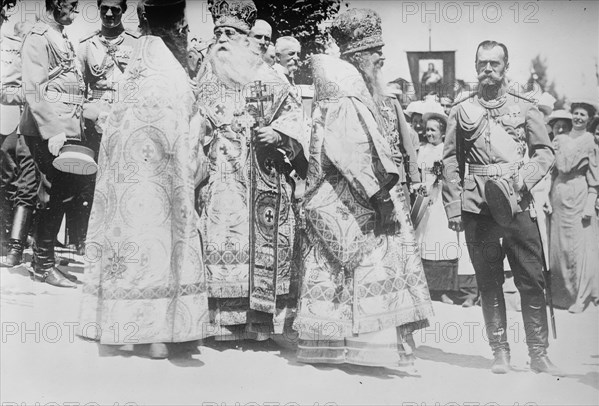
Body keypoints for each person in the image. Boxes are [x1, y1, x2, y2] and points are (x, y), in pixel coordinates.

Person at [293, 8, 433, 368]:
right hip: (349, 199)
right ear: (357, 55)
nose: (380, 58)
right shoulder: (345, 88)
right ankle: (361, 352)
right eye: (375, 52)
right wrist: (381, 194)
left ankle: (347, 349)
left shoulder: (355, 86)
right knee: (361, 267)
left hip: (351, 196)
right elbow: (352, 149)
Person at [78, 0, 209, 360]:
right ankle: (161, 334)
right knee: (163, 247)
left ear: (145, 19)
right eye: (181, 23)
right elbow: (192, 130)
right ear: (178, 25)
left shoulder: (135, 67)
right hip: (167, 180)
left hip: (129, 182)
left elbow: (114, 125)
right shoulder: (174, 69)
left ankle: (122, 325)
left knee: (133, 246)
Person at [442, 40, 562, 375]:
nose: (488, 70)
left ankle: (538, 353)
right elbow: (451, 161)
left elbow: (544, 152)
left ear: (506, 66)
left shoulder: (525, 107)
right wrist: (453, 207)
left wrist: (526, 176)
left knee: (531, 278)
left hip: (518, 202)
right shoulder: (461, 110)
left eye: (495, 64)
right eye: (482, 64)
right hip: (478, 206)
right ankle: (500, 352)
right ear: (476, 66)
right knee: (488, 281)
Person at [195, 0, 307, 342]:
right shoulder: (205, 76)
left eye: (231, 33)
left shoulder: (270, 78)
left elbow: (298, 119)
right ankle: (221, 323)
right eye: (218, 33)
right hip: (219, 176)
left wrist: (280, 134)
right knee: (219, 240)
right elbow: (192, 119)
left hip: (262, 174)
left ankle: (259, 325)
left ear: (246, 38)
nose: (223, 40)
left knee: (261, 245)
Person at [19, 0, 88, 288]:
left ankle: (44, 261)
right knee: (51, 193)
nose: (75, 10)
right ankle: (42, 265)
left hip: (67, 125)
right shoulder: (38, 36)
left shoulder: (58, 34)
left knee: (63, 193)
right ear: (57, 3)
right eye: (72, 4)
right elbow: (34, 88)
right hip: (50, 129)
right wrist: (52, 130)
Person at [74, 0, 140, 254]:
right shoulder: (87, 45)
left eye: (116, 9)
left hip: (126, 121)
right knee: (89, 182)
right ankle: (84, 239)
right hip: (94, 122)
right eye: (105, 9)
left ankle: (120, 239)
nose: (110, 14)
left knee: (124, 181)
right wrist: (89, 113)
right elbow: (78, 87)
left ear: (124, 11)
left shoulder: (135, 43)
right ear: (98, 10)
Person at [414, 109, 477, 307]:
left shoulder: (446, 150)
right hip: (425, 202)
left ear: (443, 133)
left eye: (433, 130)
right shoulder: (422, 150)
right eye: (427, 130)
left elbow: (447, 174)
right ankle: (432, 289)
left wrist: (435, 183)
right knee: (426, 242)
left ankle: (447, 290)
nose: (429, 134)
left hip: (442, 200)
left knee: (443, 243)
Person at [549, 101, 599, 313]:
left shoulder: (590, 143)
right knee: (559, 246)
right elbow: (551, 170)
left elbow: (594, 179)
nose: (578, 117)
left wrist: (590, 203)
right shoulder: (560, 139)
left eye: (583, 115)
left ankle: (580, 296)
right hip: (559, 192)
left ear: (589, 119)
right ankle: (561, 295)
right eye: (576, 113)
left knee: (577, 247)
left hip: (579, 192)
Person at [1, 19, 38, 267]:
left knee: (35, 186)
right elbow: (5, 91)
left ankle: (24, 246)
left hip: (50, 130)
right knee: (14, 183)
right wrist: (33, 93)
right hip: (22, 129)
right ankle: (10, 243)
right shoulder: (18, 61)